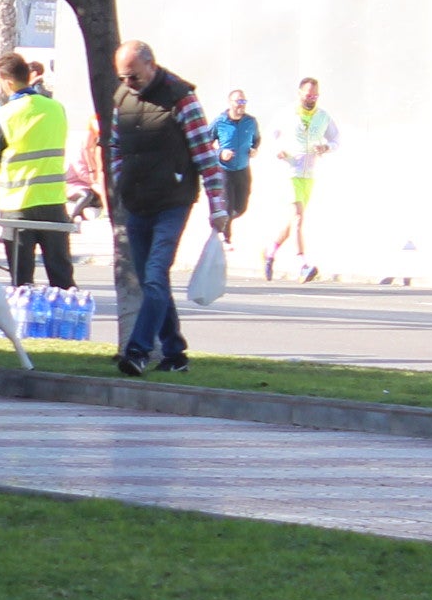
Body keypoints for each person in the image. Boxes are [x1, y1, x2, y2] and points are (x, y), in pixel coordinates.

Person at [106, 41, 232, 377]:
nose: (128, 83)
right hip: (136, 201)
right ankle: (175, 353)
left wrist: (218, 206)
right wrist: (121, 180)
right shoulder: (122, 99)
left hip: (172, 201)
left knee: (155, 275)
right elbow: (116, 147)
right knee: (152, 279)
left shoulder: (181, 98)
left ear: (151, 65)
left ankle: (138, 350)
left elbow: (205, 155)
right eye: (123, 78)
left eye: (133, 76)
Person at [0, 51, 74, 292]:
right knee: (61, 277)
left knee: (21, 282)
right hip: (54, 202)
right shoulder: (56, 109)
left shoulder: (4, 116)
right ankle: (62, 326)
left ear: (8, 82)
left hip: (17, 207)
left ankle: (25, 327)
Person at [263, 77, 338, 281]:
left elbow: (335, 139)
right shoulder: (287, 114)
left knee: (293, 221)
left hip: (308, 175)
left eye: (315, 95)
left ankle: (270, 251)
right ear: (299, 93)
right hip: (290, 171)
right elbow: (271, 134)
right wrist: (278, 150)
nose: (311, 98)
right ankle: (302, 264)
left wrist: (326, 147)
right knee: (297, 218)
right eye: (308, 95)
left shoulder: (322, 117)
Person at [209, 87, 261, 231]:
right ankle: (226, 238)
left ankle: (220, 219)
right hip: (225, 171)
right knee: (228, 206)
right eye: (238, 101)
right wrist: (220, 153)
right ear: (230, 103)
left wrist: (254, 149)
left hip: (243, 170)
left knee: (241, 207)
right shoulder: (220, 122)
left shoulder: (251, 122)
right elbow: (204, 142)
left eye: (244, 101)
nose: (241, 104)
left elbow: (256, 139)